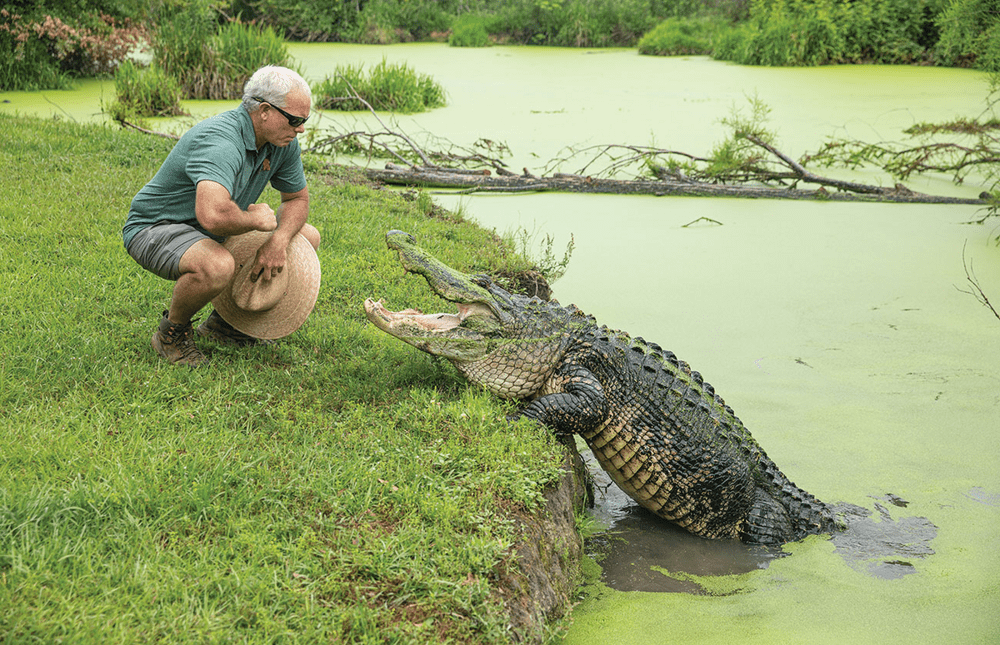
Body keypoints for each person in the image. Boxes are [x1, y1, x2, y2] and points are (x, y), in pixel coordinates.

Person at [123, 65, 321, 366]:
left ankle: (226, 326)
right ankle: (170, 334)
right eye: (295, 120)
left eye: (304, 120)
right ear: (264, 110)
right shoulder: (222, 142)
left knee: (306, 238)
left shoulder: (282, 142)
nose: (301, 129)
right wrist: (255, 220)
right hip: (157, 227)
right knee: (216, 265)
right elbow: (213, 215)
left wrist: (278, 241)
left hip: (212, 229)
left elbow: (297, 200)